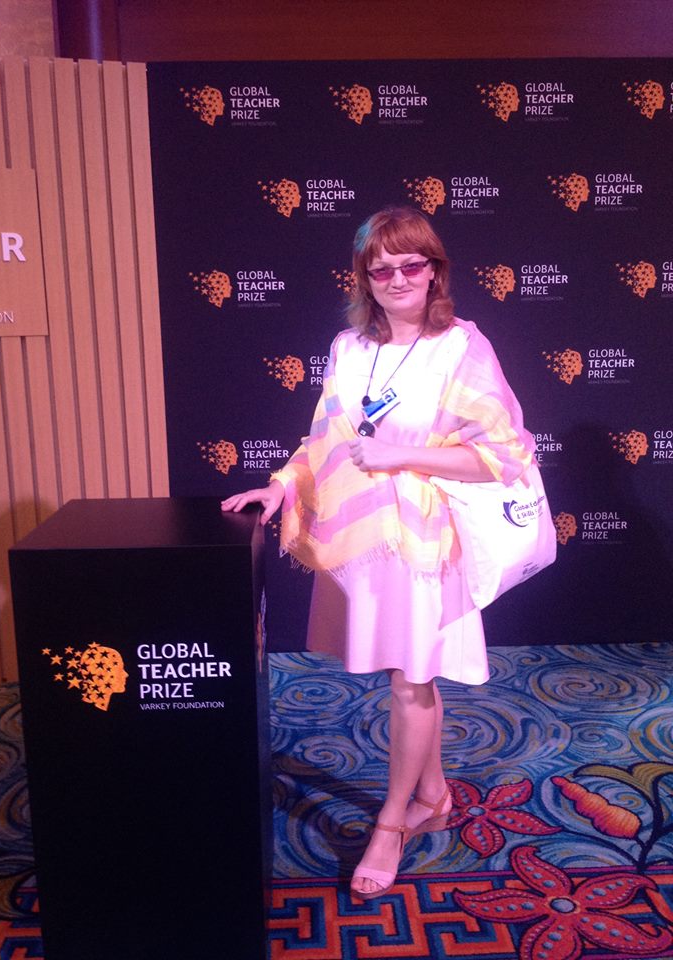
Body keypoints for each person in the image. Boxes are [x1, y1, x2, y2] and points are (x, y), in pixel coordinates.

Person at [221, 206, 534, 899]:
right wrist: (280, 486)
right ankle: (434, 796)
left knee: (409, 680)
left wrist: (401, 455)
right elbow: (325, 440)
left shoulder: (461, 347)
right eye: (380, 267)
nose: (397, 278)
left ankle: (390, 824)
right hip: (364, 540)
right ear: (364, 277)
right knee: (408, 675)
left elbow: (502, 456)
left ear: (434, 271)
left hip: (426, 543)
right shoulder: (349, 348)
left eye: (410, 264)